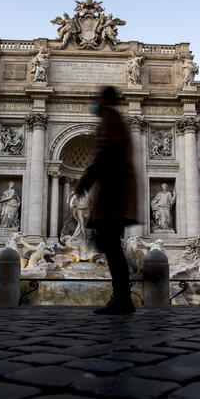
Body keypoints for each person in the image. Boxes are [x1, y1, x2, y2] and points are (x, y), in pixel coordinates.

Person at [75, 86, 139, 315]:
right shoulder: (117, 119)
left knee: (108, 245)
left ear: (104, 100)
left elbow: (104, 155)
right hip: (117, 190)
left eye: (97, 99)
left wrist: (85, 180)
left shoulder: (110, 120)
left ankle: (123, 296)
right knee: (110, 245)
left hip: (113, 191)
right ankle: (123, 295)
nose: (94, 103)